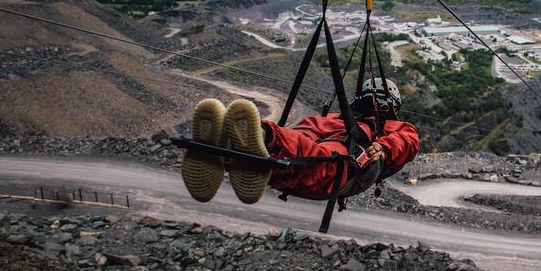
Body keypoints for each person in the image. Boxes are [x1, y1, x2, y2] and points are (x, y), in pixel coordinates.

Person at [180, 78, 420, 204]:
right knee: (305, 134)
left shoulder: (391, 129)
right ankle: (243, 149)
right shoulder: (334, 119)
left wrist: (383, 148)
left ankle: (261, 137)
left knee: (319, 150)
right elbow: (408, 140)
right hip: (330, 145)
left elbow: (407, 141)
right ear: (394, 107)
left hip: (347, 162)